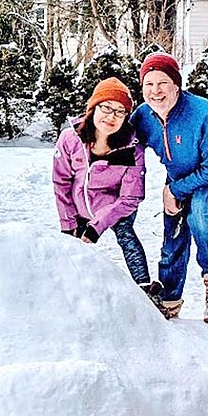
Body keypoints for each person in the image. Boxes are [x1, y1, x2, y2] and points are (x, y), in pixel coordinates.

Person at [130, 52, 208, 325]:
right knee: (173, 231)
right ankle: (168, 298)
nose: (155, 91)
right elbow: (122, 146)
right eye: (148, 85)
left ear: (177, 84)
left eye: (162, 83)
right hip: (181, 176)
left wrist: (174, 191)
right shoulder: (143, 116)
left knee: (199, 210)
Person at [53, 77, 162, 304]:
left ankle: (145, 290)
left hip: (116, 207)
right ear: (93, 108)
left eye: (120, 111)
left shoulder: (132, 149)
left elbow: (131, 197)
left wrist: (98, 226)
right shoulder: (70, 138)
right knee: (71, 246)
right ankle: (68, 294)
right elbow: (61, 182)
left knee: (125, 234)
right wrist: (68, 222)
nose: (111, 116)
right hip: (80, 205)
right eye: (106, 108)